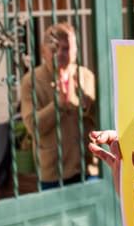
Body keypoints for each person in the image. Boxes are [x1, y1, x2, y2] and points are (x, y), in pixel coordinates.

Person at [18, 22, 98, 189]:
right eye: (55, 49)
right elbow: (33, 126)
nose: (61, 53)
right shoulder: (32, 81)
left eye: (66, 48)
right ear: (43, 51)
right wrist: (58, 104)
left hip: (88, 169)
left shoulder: (86, 76)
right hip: (54, 173)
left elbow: (101, 118)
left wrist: (85, 105)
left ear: (75, 51)